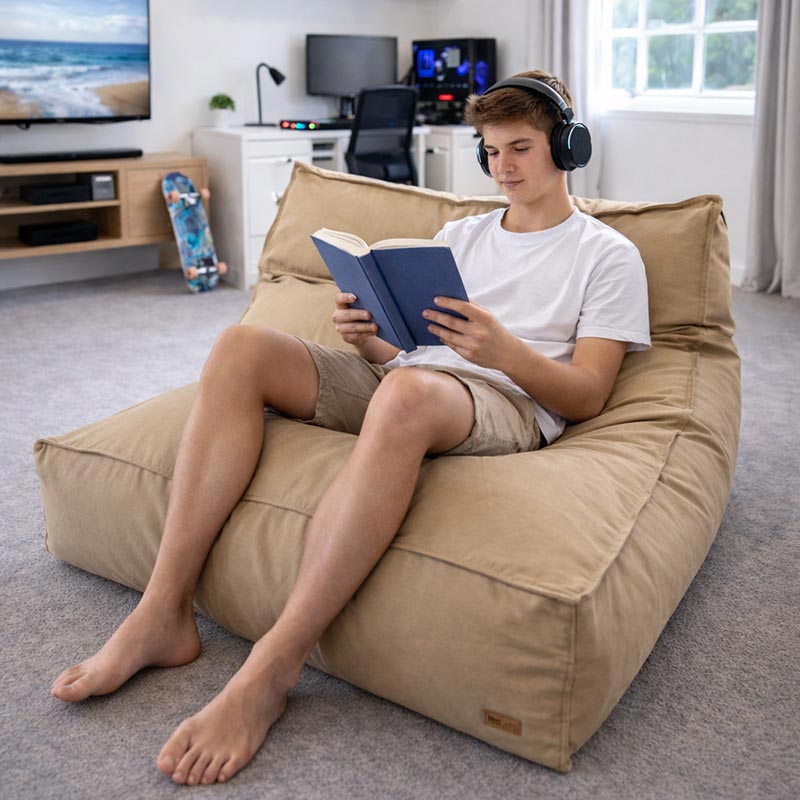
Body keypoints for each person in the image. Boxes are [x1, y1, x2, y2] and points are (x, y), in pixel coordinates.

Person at [50, 70, 650, 785]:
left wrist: (504, 351)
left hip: (506, 397)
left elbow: (587, 395)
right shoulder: (462, 235)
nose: (504, 168)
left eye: (521, 148)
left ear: (567, 147)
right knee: (242, 349)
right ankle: (162, 610)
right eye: (491, 151)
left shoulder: (607, 256)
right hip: (415, 379)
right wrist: (369, 337)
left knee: (407, 398)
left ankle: (272, 668)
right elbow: (411, 354)